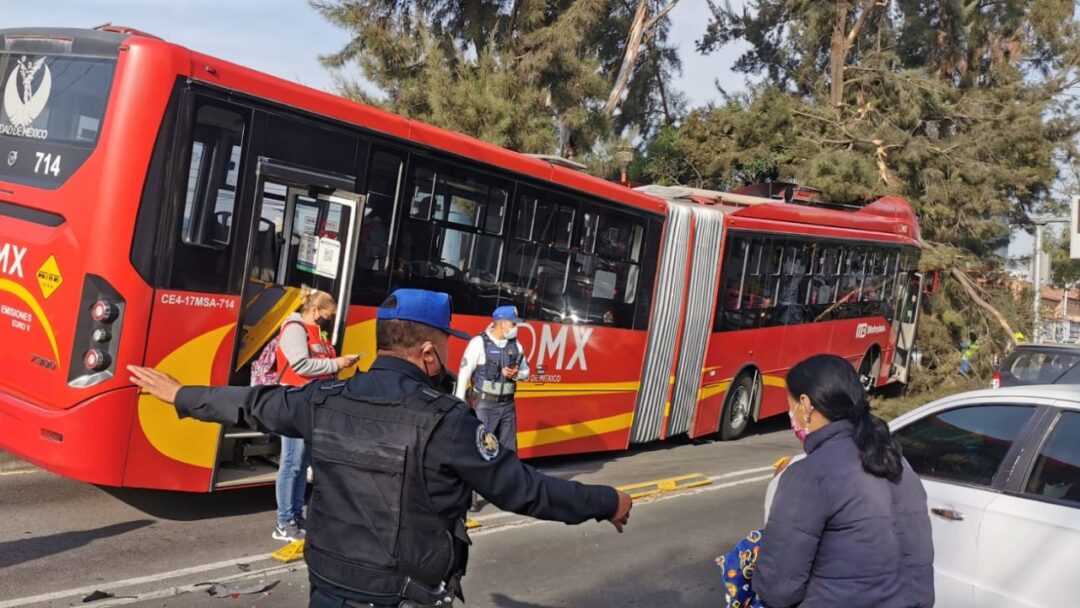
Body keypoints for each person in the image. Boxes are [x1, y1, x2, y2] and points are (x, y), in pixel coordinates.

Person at [129, 288, 631, 608]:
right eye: (448, 344)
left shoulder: (325, 397)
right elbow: (524, 491)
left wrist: (182, 394)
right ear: (428, 351)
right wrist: (606, 501)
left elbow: (253, 404)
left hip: (327, 585)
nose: (453, 353)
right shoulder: (449, 421)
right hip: (399, 596)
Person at [754, 354, 934, 608]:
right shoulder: (899, 463)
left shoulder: (809, 474)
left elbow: (778, 588)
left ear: (806, 405)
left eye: (791, 405)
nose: (791, 414)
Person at [267, 288, 359, 542]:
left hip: (309, 404)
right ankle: (284, 522)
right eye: (326, 316)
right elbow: (301, 365)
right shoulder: (295, 329)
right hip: (293, 402)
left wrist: (340, 364)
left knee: (301, 463)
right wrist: (337, 364)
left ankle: (295, 517)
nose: (327, 320)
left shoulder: (316, 332)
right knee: (291, 463)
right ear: (315, 310)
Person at [455, 305, 529, 452]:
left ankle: (507, 476)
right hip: (485, 406)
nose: (516, 328)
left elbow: (526, 373)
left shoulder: (516, 346)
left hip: (508, 405)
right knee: (483, 451)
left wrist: (516, 375)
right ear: (501, 324)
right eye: (513, 324)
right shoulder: (479, 343)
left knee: (509, 452)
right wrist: (459, 402)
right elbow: (464, 373)